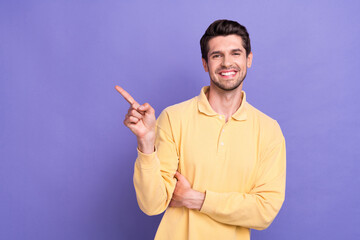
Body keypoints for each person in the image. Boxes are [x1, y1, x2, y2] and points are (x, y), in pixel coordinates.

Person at [115, 19, 286, 240]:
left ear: (248, 59)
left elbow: (265, 211)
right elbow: (152, 205)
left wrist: (196, 198)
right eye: (217, 55)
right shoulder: (174, 118)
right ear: (205, 64)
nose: (227, 63)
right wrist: (146, 143)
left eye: (235, 53)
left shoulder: (268, 130)